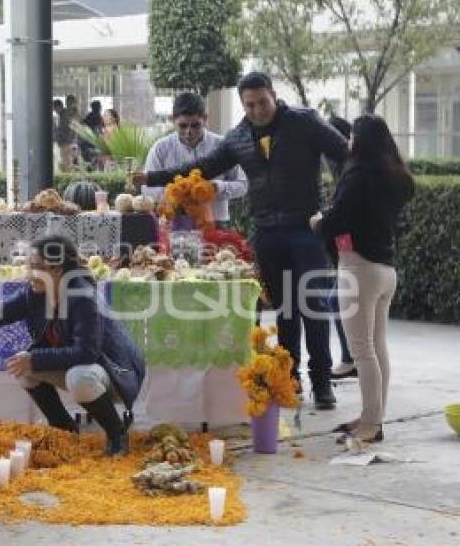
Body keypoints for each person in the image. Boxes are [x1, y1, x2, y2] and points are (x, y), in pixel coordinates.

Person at [132, 72, 348, 410]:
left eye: (263, 102)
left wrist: (337, 206)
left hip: (307, 229)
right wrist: (153, 177)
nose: (258, 110)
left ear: (274, 96)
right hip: (266, 233)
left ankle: (322, 383)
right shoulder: (238, 137)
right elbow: (203, 167)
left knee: (313, 307)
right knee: (284, 311)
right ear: (243, 106)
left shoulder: (303, 122)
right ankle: (290, 381)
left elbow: (343, 152)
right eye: (250, 105)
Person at [0, 234, 146, 456]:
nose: (29, 273)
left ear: (56, 269)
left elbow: (87, 353)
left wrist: (35, 358)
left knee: (77, 376)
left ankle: (116, 433)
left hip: (115, 373)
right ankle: (64, 429)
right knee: (23, 366)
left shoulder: (82, 297)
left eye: (35, 267)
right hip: (86, 366)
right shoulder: (35, 292)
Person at [311, 115, 414, 444]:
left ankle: (371, 425)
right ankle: (373, 417)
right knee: (377, 347)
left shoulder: (357, 174)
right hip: (386, 271)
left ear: (360, 140)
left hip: (359, 268)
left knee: (362, 352)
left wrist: (318, 221)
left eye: (352, 136)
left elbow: (339, 218)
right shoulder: (392, 174)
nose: (348, 142)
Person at [143, 92, 247, 227]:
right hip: (174, 223)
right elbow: (147, 189)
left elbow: (243, 185)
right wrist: (177, 194)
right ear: (172, 119)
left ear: (205, 118)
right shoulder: (160, 149)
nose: (189, 132)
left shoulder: (222, 145)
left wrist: (216, 187)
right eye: (183, 126)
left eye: (195, 125)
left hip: (216, 223)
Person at [326, 113, 355, 379]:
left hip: (356, 248)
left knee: (336, 298)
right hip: (349, 246)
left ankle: (351, 358)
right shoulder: (343, 165)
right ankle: (352, 357)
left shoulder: (349, 167)